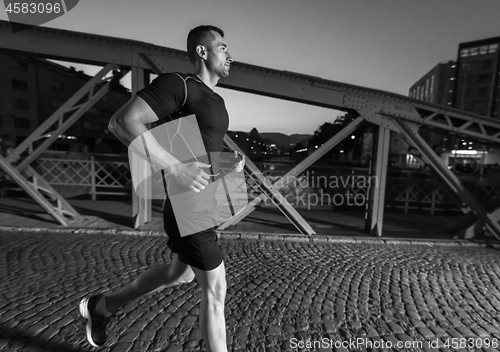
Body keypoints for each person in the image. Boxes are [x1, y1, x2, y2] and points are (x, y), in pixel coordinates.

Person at [79, 25, 244, 352]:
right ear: (202, 51)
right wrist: (174, 167)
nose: (230, 55)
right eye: (222, 47)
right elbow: (123, 122)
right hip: (189, 205)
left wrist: (226, 161)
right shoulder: (180, 84)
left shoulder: (216, 99)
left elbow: (194, 151)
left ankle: (101, 306)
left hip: (201, 202)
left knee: (179, 274)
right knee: (215, 289)